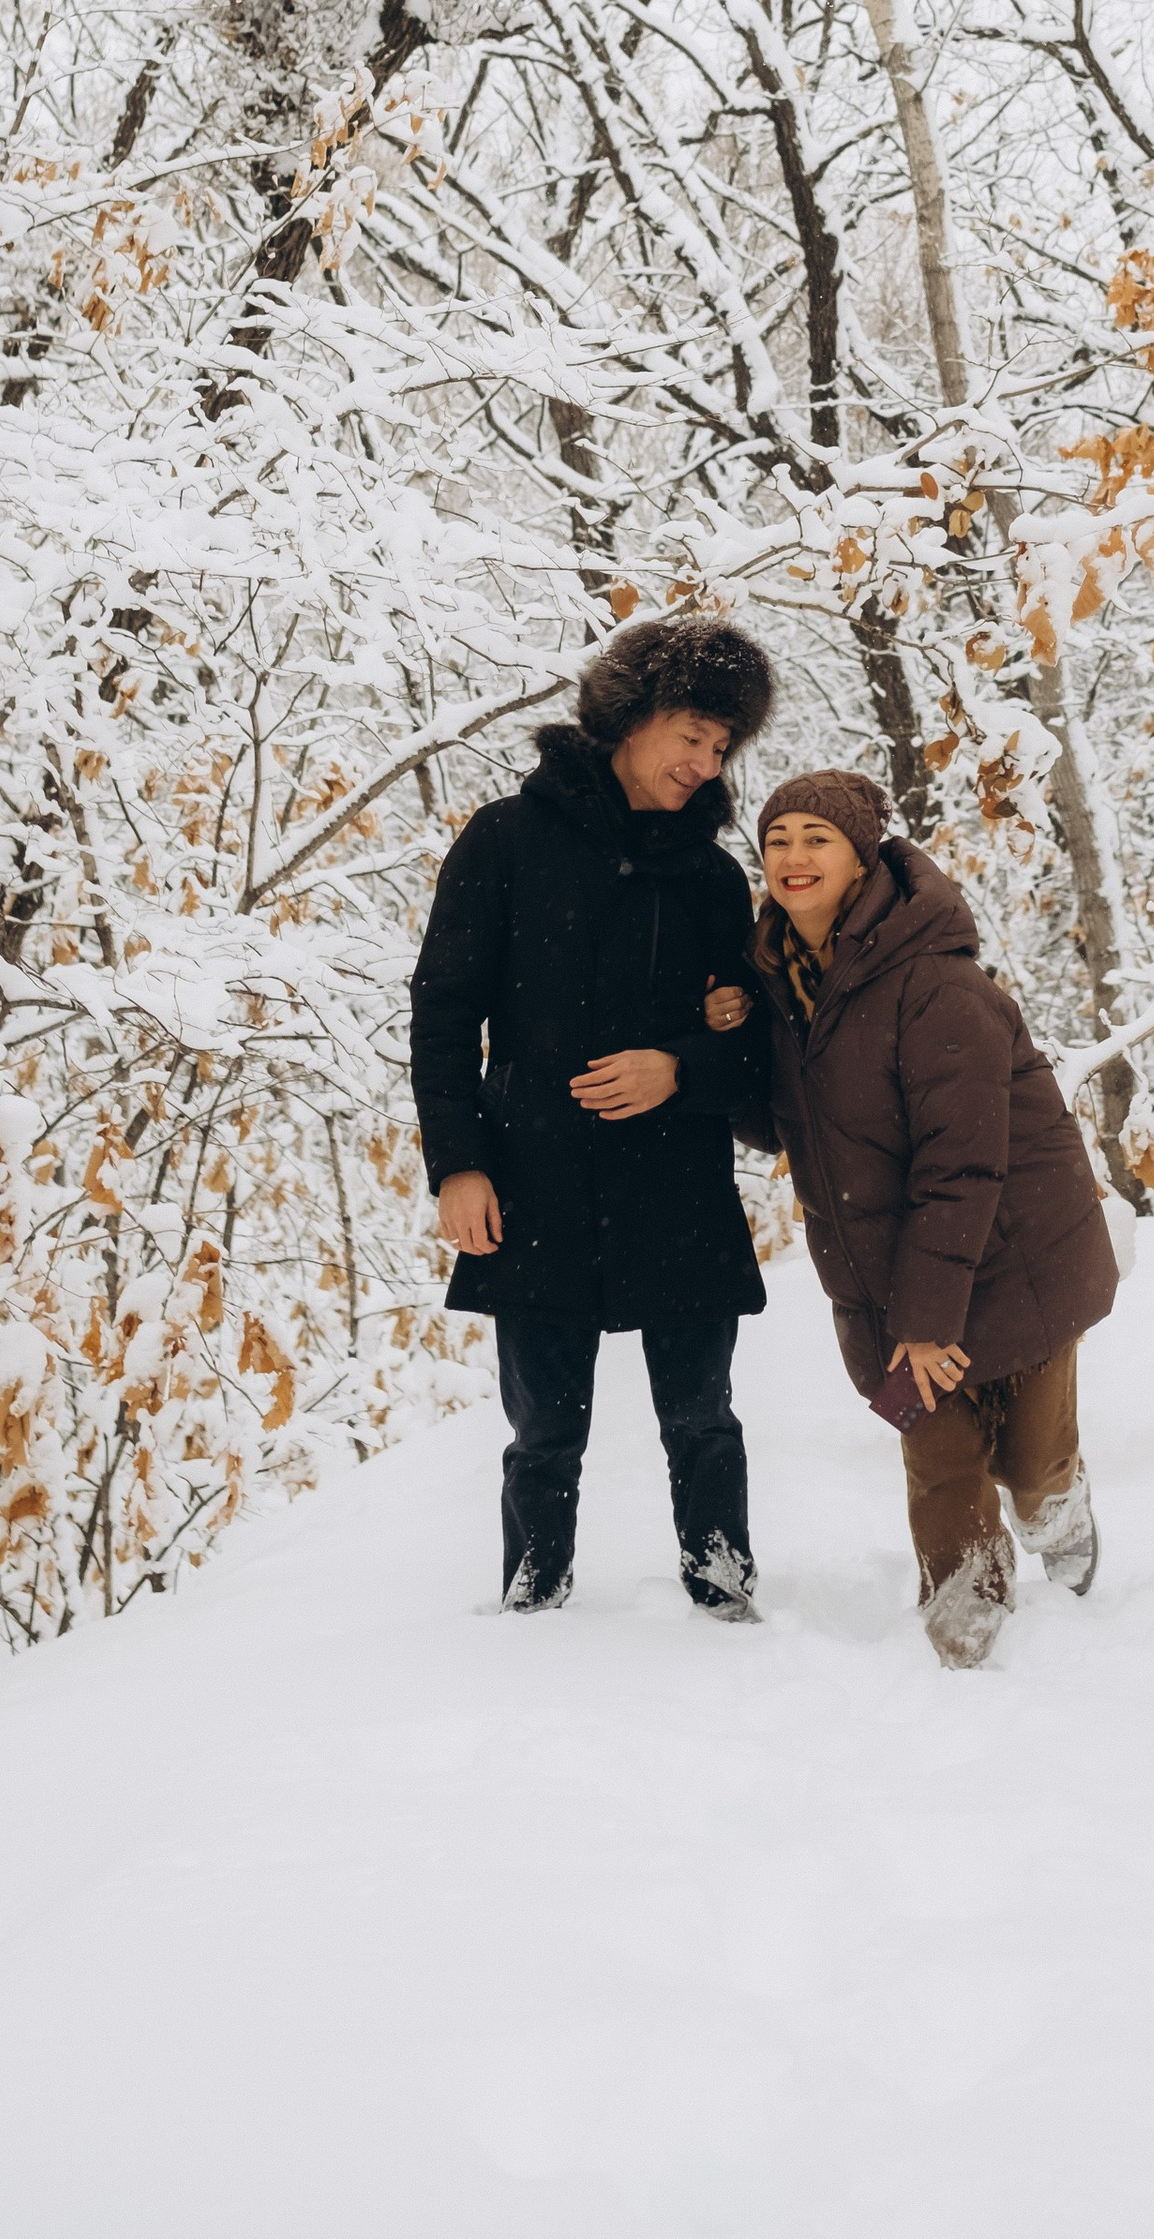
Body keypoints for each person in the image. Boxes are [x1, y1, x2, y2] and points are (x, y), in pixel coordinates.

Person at [409, 615, 776, 1618]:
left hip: (679, 1183)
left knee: (703, 1419)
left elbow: (756, 1043)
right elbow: (443, 1015)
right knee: (542, 1434)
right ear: (629, 717)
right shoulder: (505, 840)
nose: (705, 764)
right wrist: (458, 1166)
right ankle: (532, 1607)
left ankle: (725, 1591)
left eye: (721, 748)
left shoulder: (708, 876)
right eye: (691, 735)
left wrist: (681, 1068)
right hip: (536, 1181)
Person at [726, 770, 1120, 1669]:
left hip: (1016, 1257)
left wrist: (929, 1319)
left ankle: (1061, 1509)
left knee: (1028, 1462)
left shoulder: (938, 988)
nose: (793, 857)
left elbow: (963, 1163)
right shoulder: (785, 982)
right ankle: (966, 1636)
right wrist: (726, 1036)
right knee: (942, 1462)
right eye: (778, 838)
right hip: (883, 1268)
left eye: (816, 838)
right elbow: (784, 1122)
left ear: (862, 857)